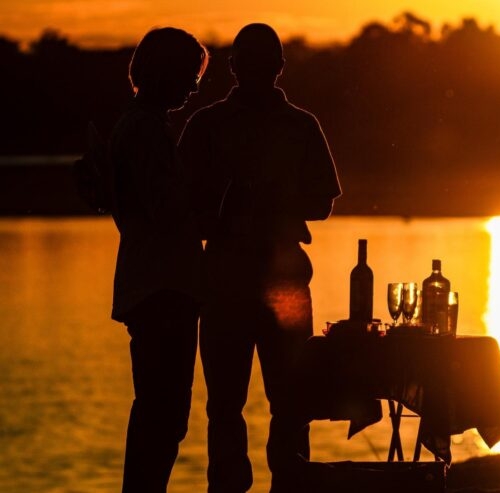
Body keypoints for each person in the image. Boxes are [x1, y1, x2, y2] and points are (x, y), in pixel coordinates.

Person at [178, 23, 341, 493]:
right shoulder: (210, 125)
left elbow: (323, 203)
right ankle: (238, 486)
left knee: (289, 400)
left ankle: (289, 484)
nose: (256, 72)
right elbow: (186, 205)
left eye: (261, 63)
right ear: (236, 67)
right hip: (231, 278)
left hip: (276, 280)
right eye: (251, 63)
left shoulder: (297, 124)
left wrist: (272, 200)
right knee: (230, 404)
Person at [109, 27, 208, 492]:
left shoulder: (141, 125)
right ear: (163, 72)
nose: (194, 86)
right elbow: (164, 210)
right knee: (163, 413)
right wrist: (218, 205)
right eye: (189, 75)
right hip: (162, 288)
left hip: (156, 284)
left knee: (161, 411)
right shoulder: (144, 129)